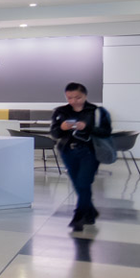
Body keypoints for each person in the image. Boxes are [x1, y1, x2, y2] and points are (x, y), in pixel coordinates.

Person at [54, 82, 112, 229]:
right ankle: (90, 212)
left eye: (78, 97)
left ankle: (79, 216)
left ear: (85, 95)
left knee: (83, 183)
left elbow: (106, 131)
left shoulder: (97, 111)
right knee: (78, 184)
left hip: (90, 151)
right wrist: (62, 127)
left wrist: (87, 127)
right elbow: (54, 133)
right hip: (68, 151)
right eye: (69, 98)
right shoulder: (61, 111)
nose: (74, 101)